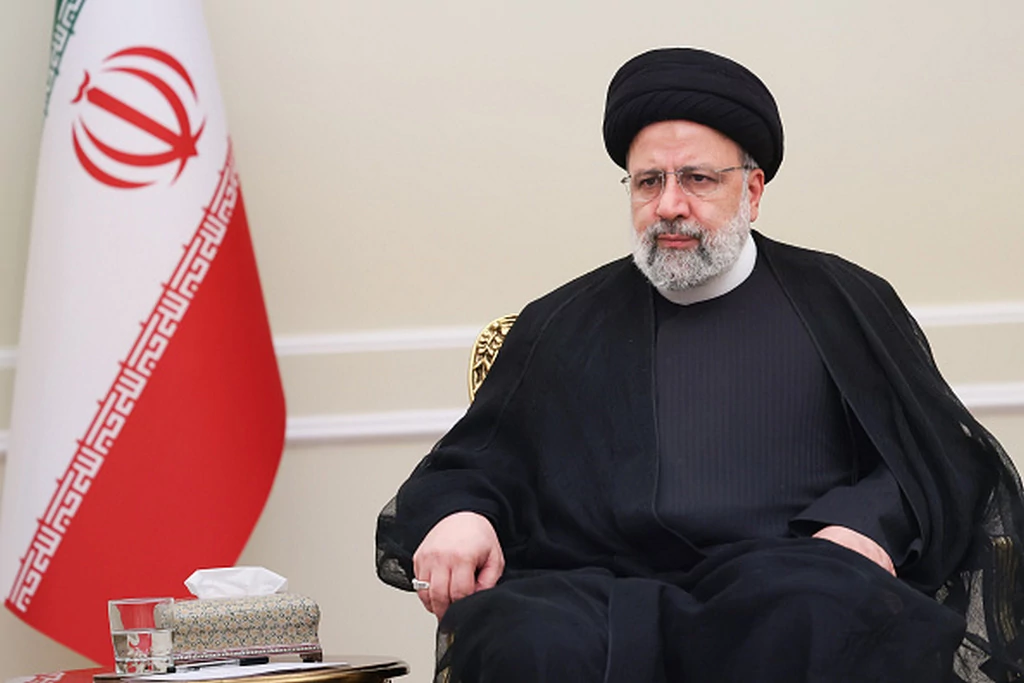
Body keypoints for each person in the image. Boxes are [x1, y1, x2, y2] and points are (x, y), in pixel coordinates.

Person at [375, 47, 1024, 683]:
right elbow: (478, 462)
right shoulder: (562, 320)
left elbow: (934, 456)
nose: (669, 205)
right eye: (649, 182)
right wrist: (463, 515)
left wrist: (864, 527)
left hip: (792, 576)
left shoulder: (843, 301)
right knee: (523, 635)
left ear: (753, 190)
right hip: (597, 590)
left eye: (698, 179)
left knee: (823, 607)